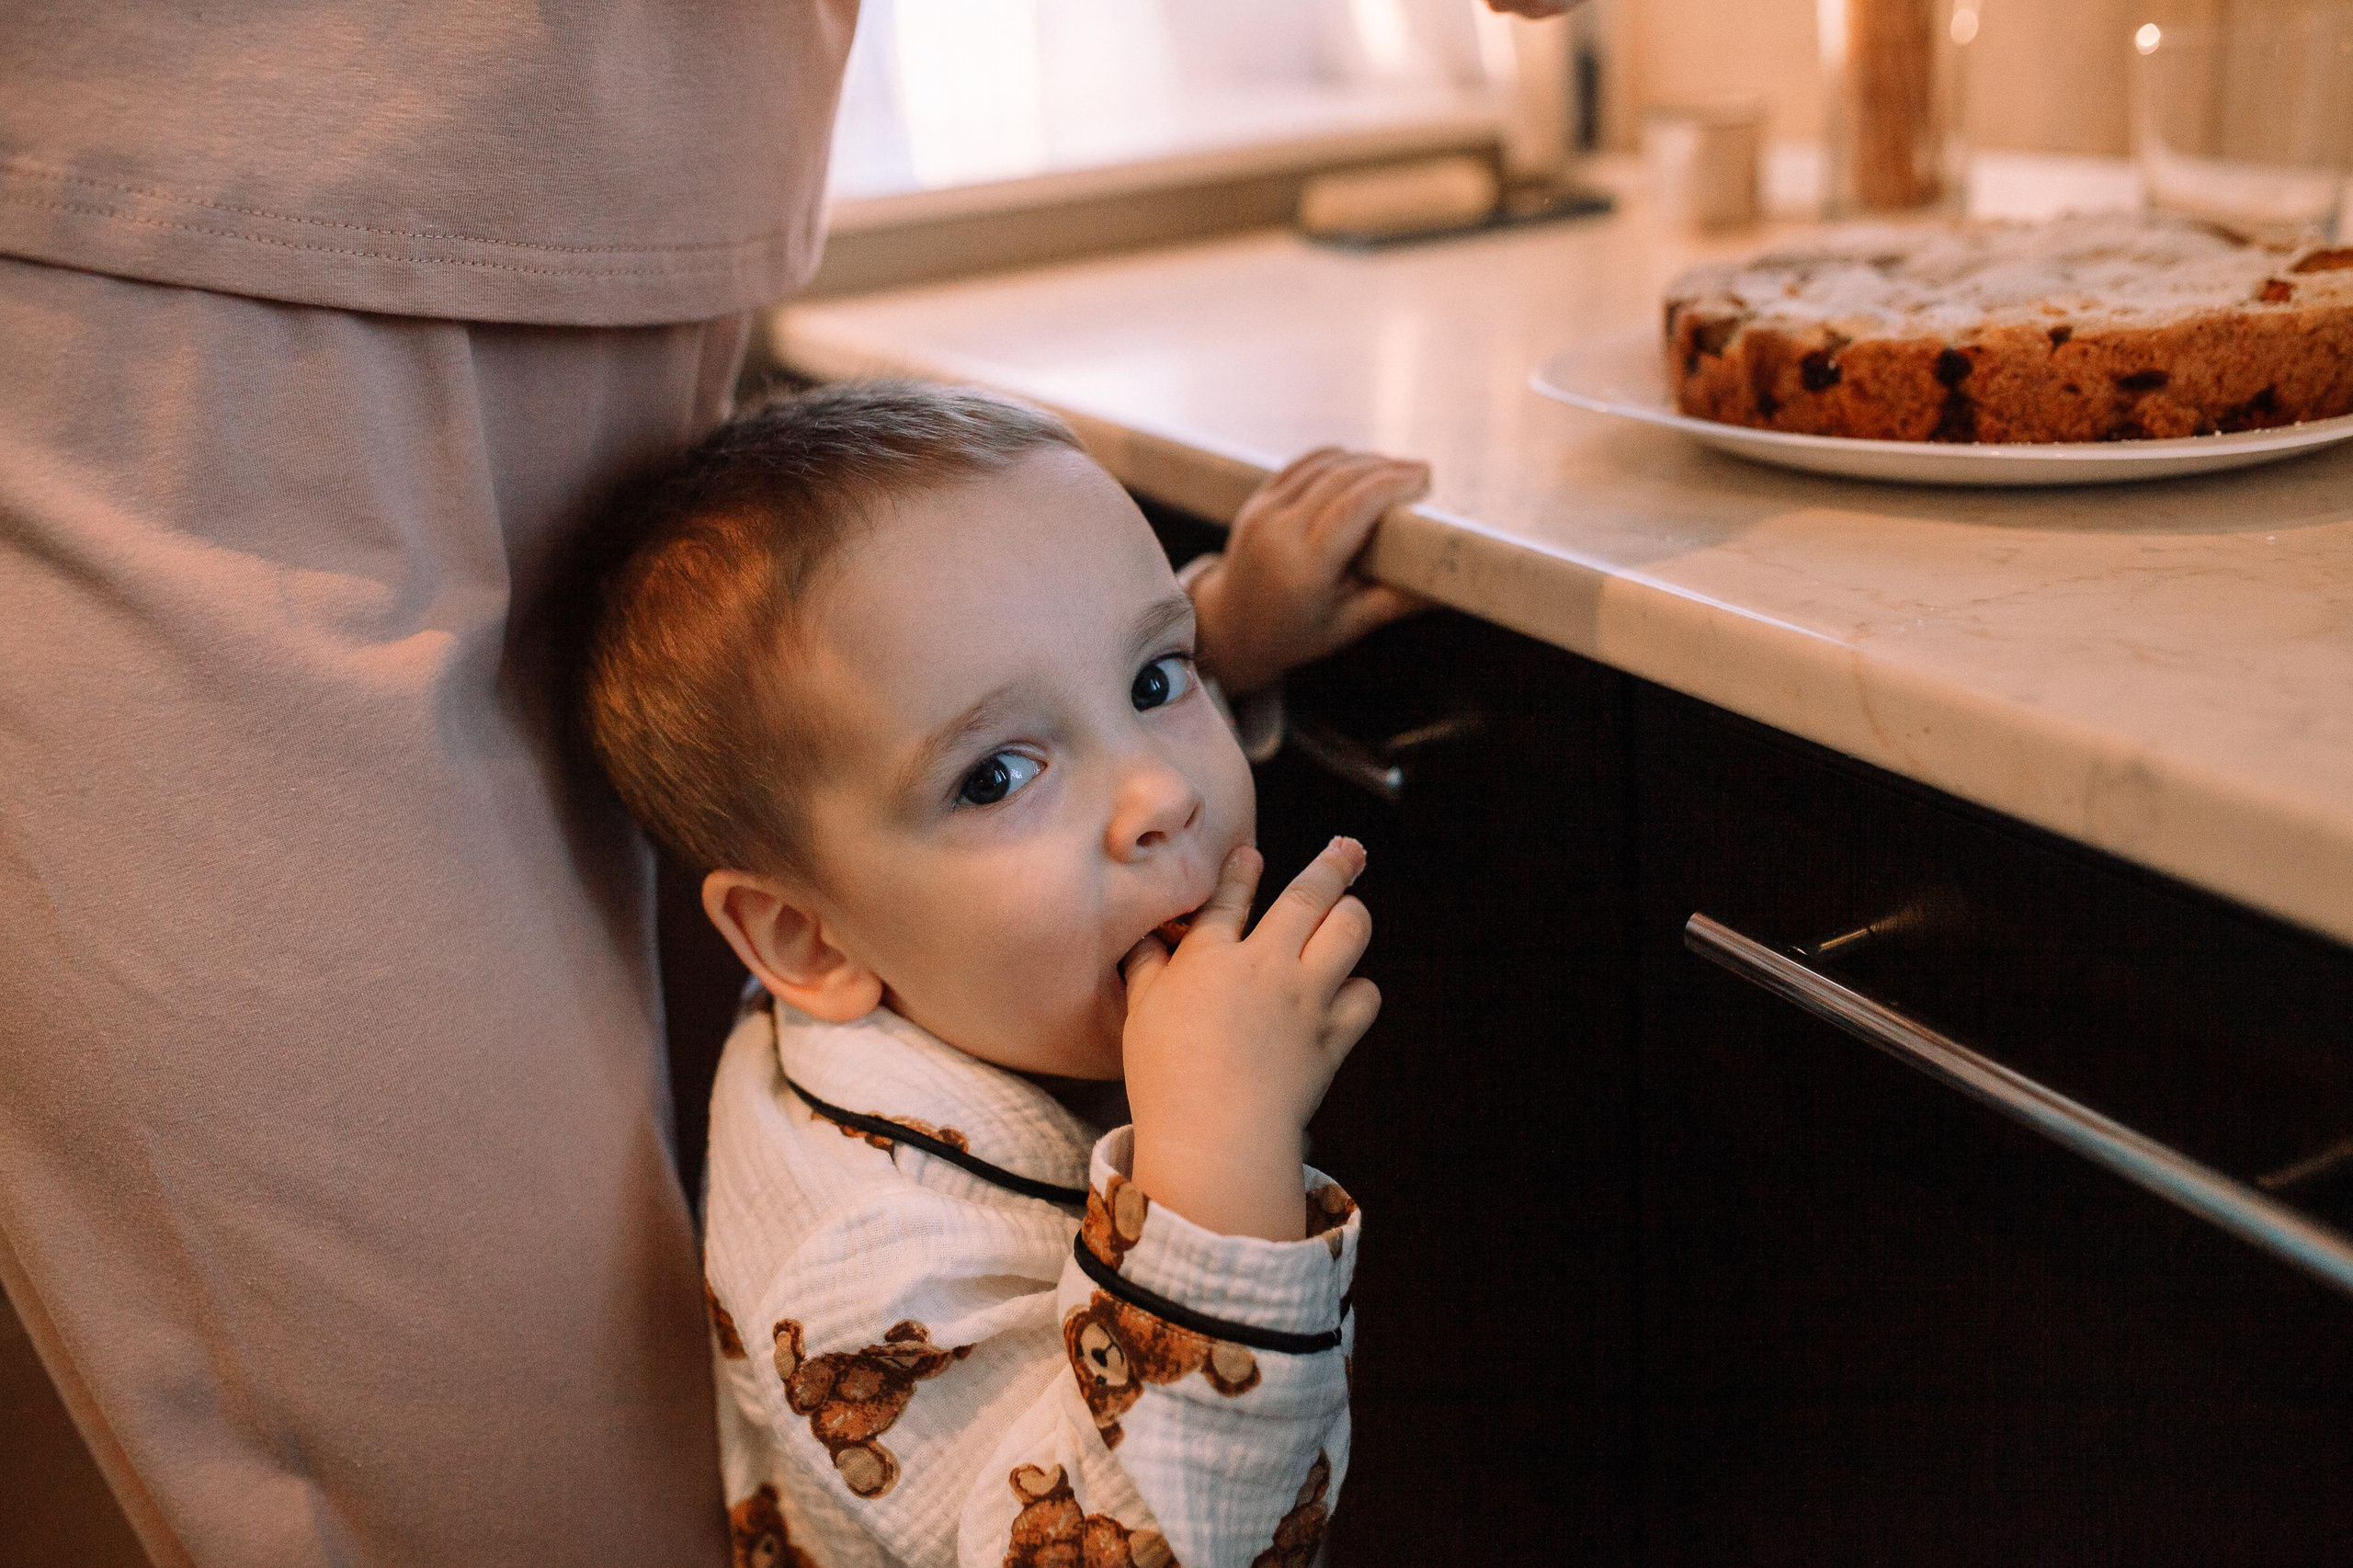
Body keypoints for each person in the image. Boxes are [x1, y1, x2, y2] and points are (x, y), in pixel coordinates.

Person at [579, 382, 1429, 1566]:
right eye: (995, 778)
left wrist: (1228, 629)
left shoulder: (897, 930)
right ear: (806, 942)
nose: (1163, 794)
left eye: (1154, 681)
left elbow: (1014, 663)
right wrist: (1219, 1146)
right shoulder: (870, 1274)